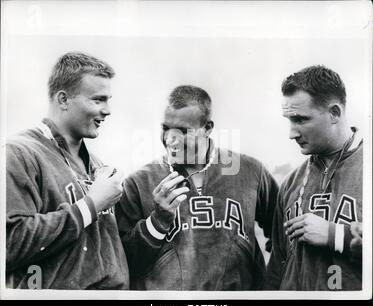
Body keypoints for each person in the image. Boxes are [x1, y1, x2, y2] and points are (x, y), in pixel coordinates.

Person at [116, 85, 278, 290]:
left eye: (183, 131)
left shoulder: (250, 171)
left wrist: (269, 287)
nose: (170, 139)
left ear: (207, 128)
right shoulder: (138, 183)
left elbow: (282, 234)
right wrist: (157, 222)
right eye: (165, 128)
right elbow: (123, 264)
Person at [6, 52, 129, 289]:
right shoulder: (18, 153)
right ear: (63, 99)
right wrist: (90, 205)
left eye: (108, 99)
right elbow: (10, 244)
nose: (108, 110)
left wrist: (160, 220)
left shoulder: (98, 165)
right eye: (98, 100)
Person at [265, 65, 363, 290]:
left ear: (334, 113)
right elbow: (277, 270)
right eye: (289, 120)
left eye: (301, 119)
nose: (292, 133)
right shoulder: (290, 183)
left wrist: (335, 235)